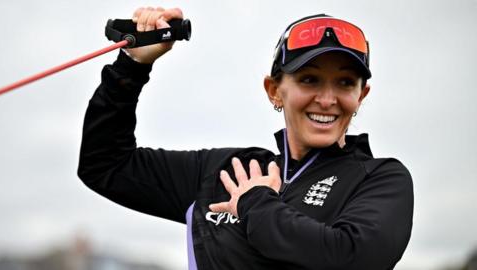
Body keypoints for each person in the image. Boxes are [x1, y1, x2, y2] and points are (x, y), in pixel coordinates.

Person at [78, 6, 414, 270]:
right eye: (309, 80)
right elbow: (105, 165)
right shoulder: (226, 170)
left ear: (361, 95)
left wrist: (255, 203)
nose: (327, 100)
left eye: (344, 83)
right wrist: (131, 67)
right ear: (274, 91)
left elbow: (350, 260)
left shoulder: (381, 179)